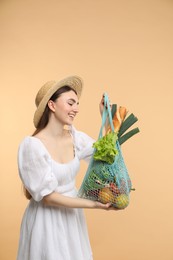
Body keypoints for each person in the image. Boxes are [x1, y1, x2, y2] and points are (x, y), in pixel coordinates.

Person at [17, 75, 114, 260]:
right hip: (45, 222)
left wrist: (106, 119)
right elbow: (49, 198)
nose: (76, 109)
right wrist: (94, 204)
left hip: (72, 218)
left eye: (77, 103)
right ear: (52, 105)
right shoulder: (32, 146)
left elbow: (106, 156)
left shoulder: (75, 138)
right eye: (71, 103)